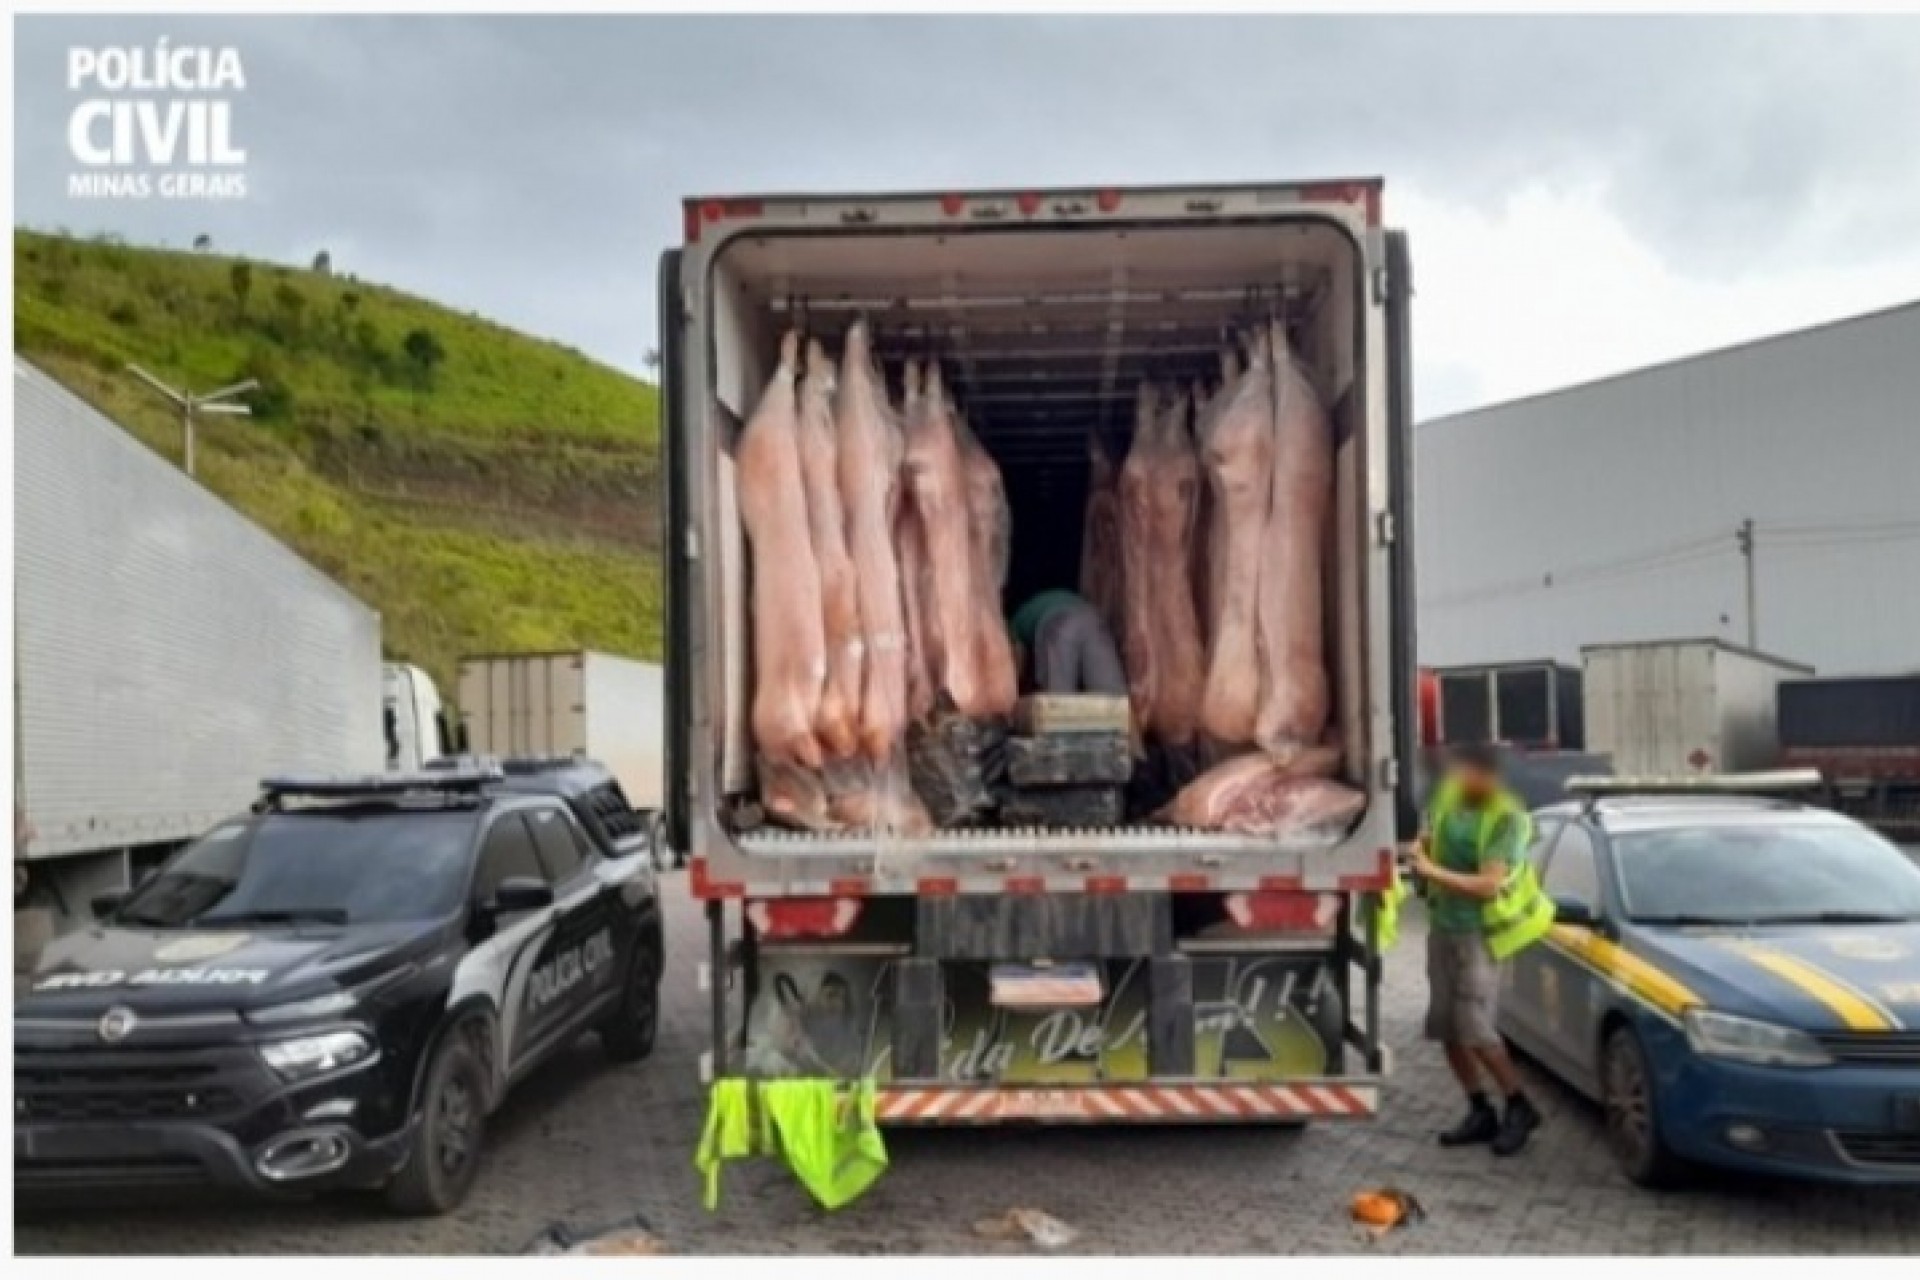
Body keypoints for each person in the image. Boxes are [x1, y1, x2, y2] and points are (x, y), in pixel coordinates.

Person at [1404, 743, 1548, 1156]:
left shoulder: (1507, 817)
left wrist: (1431, 870)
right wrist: (1421, 847)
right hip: (1443, 929)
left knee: (1476, 1028)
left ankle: (1519, 1105)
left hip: (1479, 936)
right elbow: (1432, 834)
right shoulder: (1452, 800)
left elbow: (1488, 884)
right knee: (1447, 1028)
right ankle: (1479, 1109)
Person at [1007, 589, 1127, 696]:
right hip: (1092, 620)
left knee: (1060, 704)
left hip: (1060, 624)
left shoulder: (1012, 628)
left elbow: (1016, 662)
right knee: (1112, 702)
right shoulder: (1034, 608)